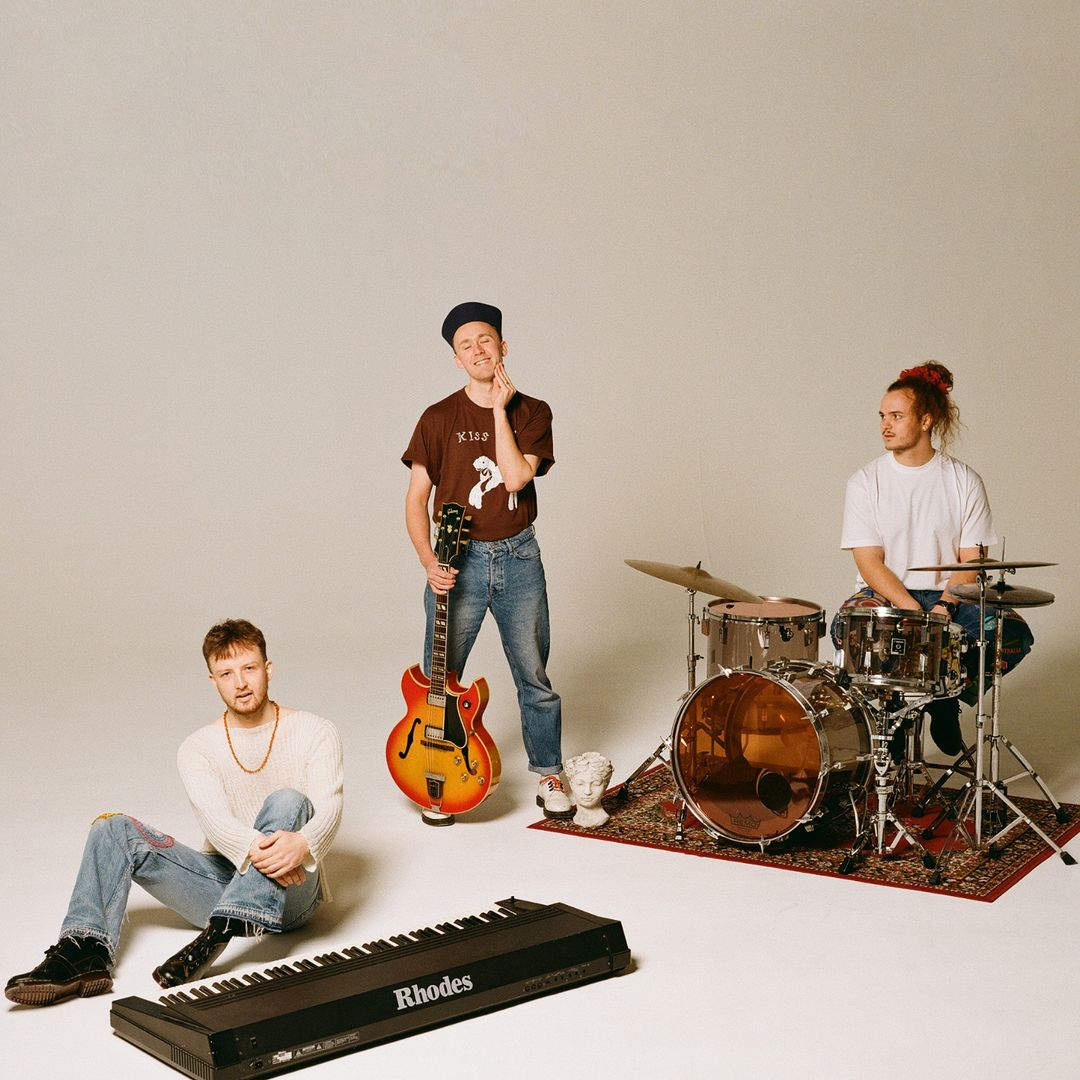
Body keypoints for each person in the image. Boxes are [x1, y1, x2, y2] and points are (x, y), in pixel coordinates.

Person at [5, 619, 344, 1006]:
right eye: (226, 674)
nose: (241, 683)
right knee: (112, 828)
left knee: (288, 801)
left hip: (294, 892)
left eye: (249, 668)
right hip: (221, 882)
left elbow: (329, 806)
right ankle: (85, 951)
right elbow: (217, 824)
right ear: (212, 681)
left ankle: (218, 934)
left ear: (268, 669)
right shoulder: (197, 747)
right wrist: (268, 852)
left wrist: (301, 844)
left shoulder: (316, 730)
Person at [403, 301, 572, 819]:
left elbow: (518, 478)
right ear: (456, 359)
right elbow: (415, 501)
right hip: (460, 560)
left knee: (534, 674)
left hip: (519, 559)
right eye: (465, 346)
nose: (477, 350)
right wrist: (429, 562)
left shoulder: (533, 411)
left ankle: (549, 773)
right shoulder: (437, 417)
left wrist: (499, 409)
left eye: (485, 340)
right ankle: (442, 775)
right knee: (441, 679)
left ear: (502, 347)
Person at [832, 362, 1033, 755]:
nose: (885, 425)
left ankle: (945, 698)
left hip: (950, 598)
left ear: (926, 420)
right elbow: (869, 561)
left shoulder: (963, 481)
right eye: (882, 416)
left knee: (1012, 634)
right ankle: (894, 712)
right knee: (845, 628)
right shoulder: (865, 482)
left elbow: (970, 562)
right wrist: (912, 613)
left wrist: (943, 607)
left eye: (896, 416)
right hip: (890, 595)